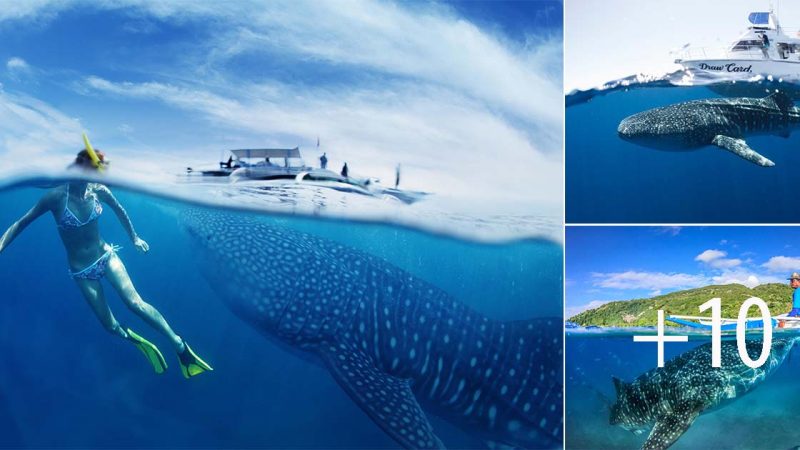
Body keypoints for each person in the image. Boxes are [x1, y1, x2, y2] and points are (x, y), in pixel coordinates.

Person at [0, 148, 212, 378]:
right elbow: (22, 222)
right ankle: (133, 338)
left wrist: (135, 238)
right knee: (109, 326)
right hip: (82, 271)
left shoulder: (98, 190)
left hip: (106, 256)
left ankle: (180, 346)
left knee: (136, 303)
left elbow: (120, 210)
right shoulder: (56, 196)